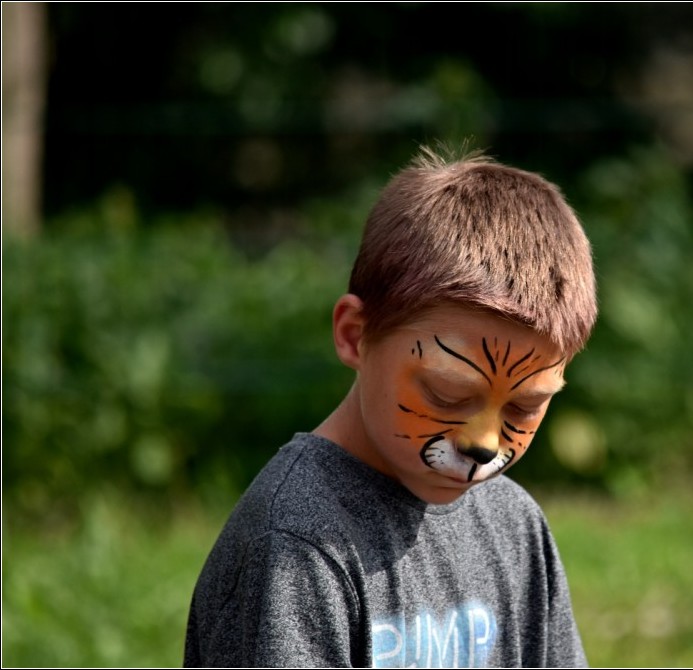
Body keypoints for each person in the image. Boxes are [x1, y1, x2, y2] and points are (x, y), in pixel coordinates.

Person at [183, 146, 597, 668]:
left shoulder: (515, 526)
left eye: (524, 407)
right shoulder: (296, 543)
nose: (485, 443)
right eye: (446, 394)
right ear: (355, 335)